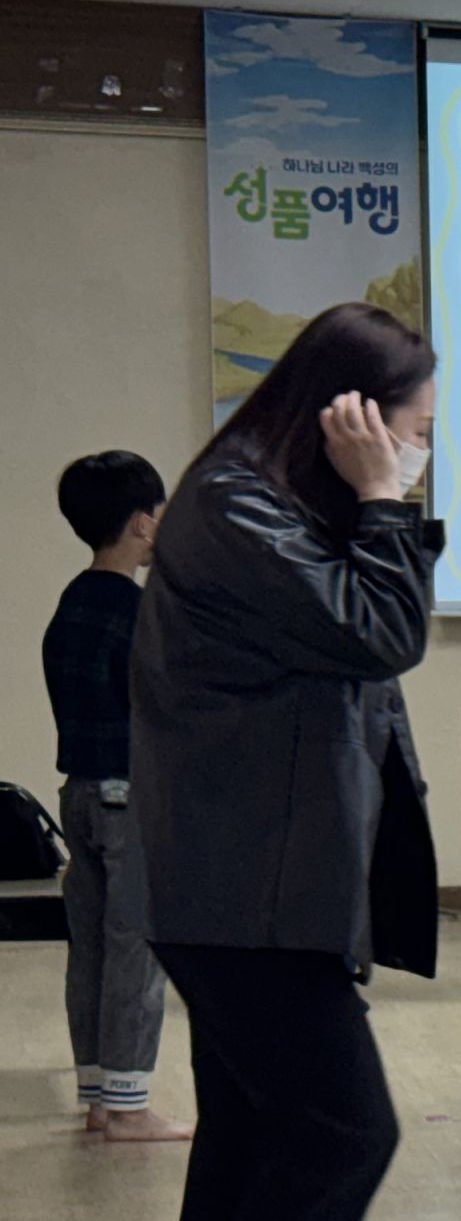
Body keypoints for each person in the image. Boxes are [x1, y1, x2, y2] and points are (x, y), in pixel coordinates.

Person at [128, 300, 438, 1221]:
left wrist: (374, 508)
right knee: (345, 1129)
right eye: (413, 426)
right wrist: (385, 501)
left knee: (255, 1137)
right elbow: (382, 634)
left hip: (267, 887)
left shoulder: (272, 511)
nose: (419, 449)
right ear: (348, 415)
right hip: (239, 887)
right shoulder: (234, 508)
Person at [43, 448, 187, 1143]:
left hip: (78, 793)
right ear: (142, 522)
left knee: (93, 948)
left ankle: (100, 1095)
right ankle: (130, 1107)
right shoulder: (139, 611)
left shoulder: (72, 602)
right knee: (135, 949)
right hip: (130, 799)